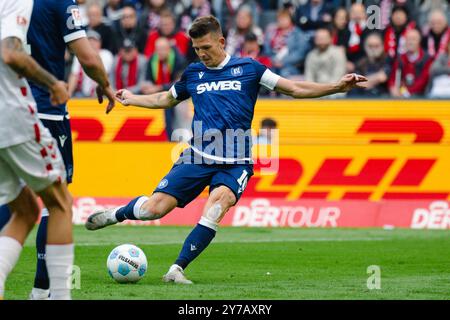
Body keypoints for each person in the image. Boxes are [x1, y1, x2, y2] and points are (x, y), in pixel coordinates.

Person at [85, 15, 366, 284]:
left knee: (217, 205)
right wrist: (132, 99)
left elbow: (293, 88)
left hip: (235, 161)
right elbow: (165, 98)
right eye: (196, 49)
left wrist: (336, 86)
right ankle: (115, 215)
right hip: (197, 155)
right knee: (153, 211)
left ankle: (176, 269)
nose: (202, 54)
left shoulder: (250, 69)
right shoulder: (193, 73)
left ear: (221, 42)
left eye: (206, 47)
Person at [0, 0, 115, 300]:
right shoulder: (58, 2)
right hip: (33, 110)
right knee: (59, 201)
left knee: (20, 206)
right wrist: (101, 83)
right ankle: (49, 293)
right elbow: (87, 58)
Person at [0, 0, 72, 300]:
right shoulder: (15, 2)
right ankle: (59, 296)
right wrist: (53, 82)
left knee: (26, 209)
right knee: (60, 203)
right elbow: (11, 54)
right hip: (11, 117)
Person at [388, 28, 433, 98]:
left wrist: (407, 92)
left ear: (419, 41)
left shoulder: (427, 59)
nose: (410, 42)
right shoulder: (400, 59)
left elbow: (423, 81)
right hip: (401, 97)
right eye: (408, 39)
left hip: (421, 97)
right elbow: (393, 78)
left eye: (413, 39)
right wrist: (393, 88)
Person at [68, 30, 114, 97]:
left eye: (94, 40)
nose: (92, 43)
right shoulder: (79, 55)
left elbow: (105, 75)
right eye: (89, 40)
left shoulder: (106, 54)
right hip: (81, 93)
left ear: (100, 43)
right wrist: (69, 94)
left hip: (101, 92)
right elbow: (74, 75)